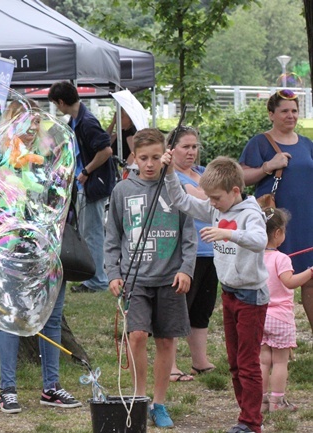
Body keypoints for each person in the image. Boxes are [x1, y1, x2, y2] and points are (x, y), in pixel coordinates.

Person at [162, 152, 269, 433]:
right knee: (234, 363)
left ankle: (251, 422)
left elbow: (260, 240)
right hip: (230, 294)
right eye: (209, 199)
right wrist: (171, 172)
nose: (211, 204)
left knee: (248, 364)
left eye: (216, 198)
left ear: (235, 191)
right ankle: (245, 417)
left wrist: (228, 234)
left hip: (251, 298)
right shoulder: (216, 209)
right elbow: (183, 201)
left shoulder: (249, 212)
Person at [0, 100, 82, 414]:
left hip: (47, 247)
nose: (31, 129)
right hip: (14, 249)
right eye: (24, 123)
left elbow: (62, 195)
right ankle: (7, 389)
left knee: (51, 318)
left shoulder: (46, 162)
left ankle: (51, 387)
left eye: (34, 123)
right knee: (12, 317)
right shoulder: (2, 161)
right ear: (9, 124)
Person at [105, 128, 196, 429]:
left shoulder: (175, 187)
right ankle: (139, 398)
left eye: (156, 157)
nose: (149, 164)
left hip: (170, 278)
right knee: (137, 336)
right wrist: (113, 273)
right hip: (136, 279)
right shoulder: (122, 191)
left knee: (167, 340)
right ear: (133, 157)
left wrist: (186, 269)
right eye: (143, 158)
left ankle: (159, 402)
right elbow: (112, 237)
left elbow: (189, 236)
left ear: (165, 155)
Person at [239, 89, 313, 335]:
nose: (290, 116)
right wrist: (268, 166)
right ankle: (272, 335)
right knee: (274, 278)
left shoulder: (306, 144)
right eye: (284, 111)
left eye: (294, 111)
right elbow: (241, 177)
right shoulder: (260, 142)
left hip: (307, 220)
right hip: (275, 221)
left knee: (310, 279)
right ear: (271, 114)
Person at [48, 81, 115, 293]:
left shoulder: (87, 122)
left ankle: (97, 280)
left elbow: (106, 151)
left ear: (61, 102)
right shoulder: (76, 121)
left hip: (94, 185)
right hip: (85, 185)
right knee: (88, 232)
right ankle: (93, 277)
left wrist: (86, 171)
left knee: (93, 233)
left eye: (56, 104)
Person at [166, 126, 218, 382]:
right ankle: (171, 364)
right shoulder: (171, 177)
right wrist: (215, 194)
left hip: (212, 249)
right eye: (185, 146)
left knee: (202, 307)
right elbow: (204, 199)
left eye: (195, 146)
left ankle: (200, 360)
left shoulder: (202, 172)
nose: (191, 152)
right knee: (179, 307)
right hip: (187, 251)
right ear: (171, 149)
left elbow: (226, 195)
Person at [260, 207, 311, 413]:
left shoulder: (254, 257)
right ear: (278, 233)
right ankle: (277, 402)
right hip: (280, 318)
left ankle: (261, 401)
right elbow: (289, 282)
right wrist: (310, 271)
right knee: (280, 362)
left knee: (263, 361)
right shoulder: (282, 259)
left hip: (260, 315)